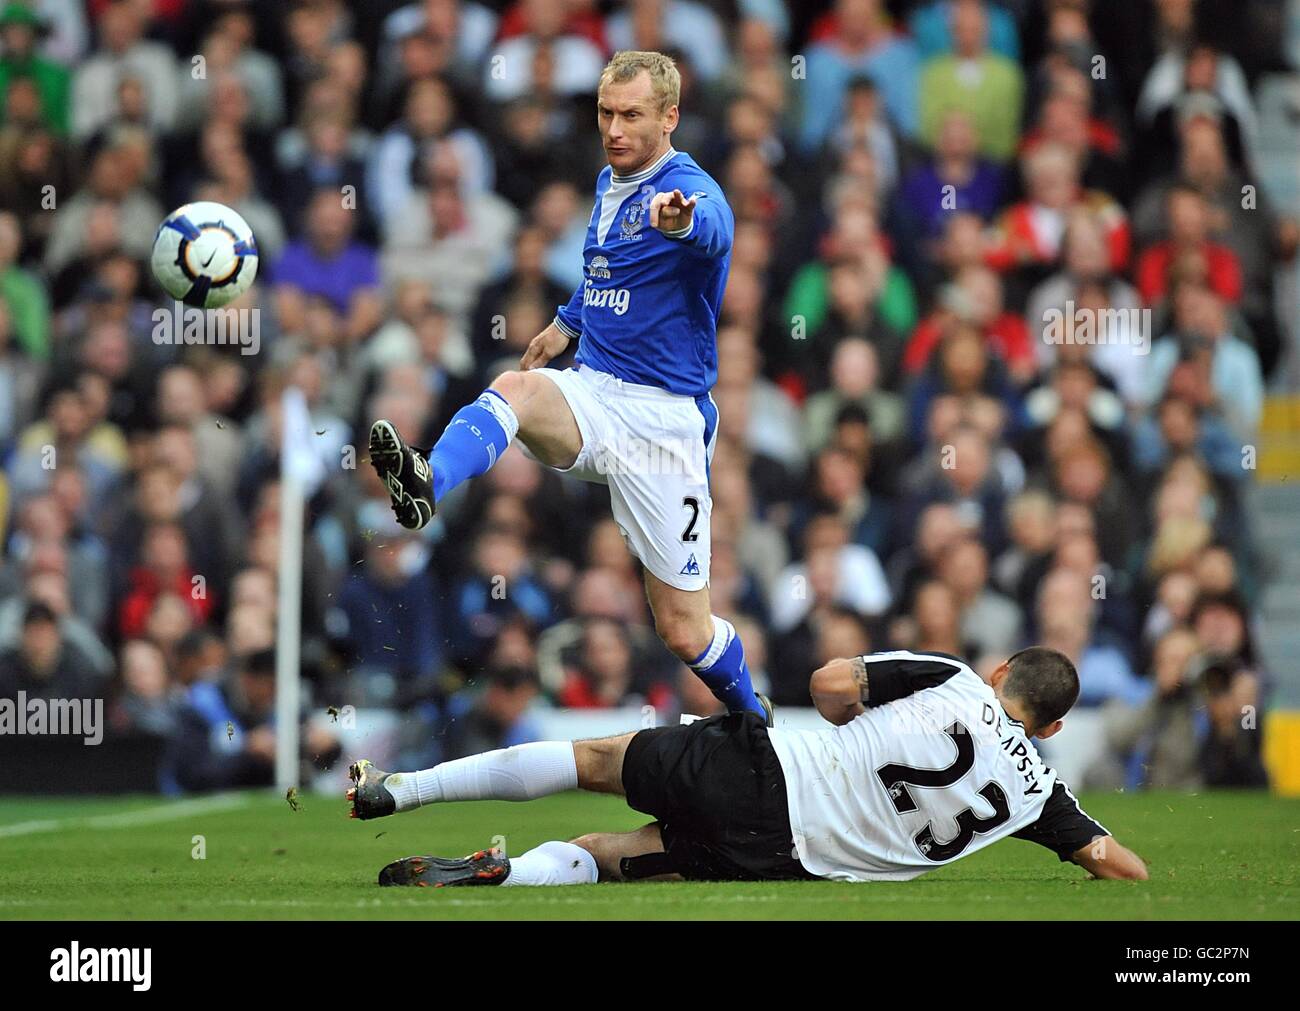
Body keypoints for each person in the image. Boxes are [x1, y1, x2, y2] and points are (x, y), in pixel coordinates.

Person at [367, 51, 768, 721]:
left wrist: (683, 221)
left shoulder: (689, 189)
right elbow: (610, 269)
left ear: (670, 117)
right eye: (607, 113)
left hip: (664, 422)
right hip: (596, 391)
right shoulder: (610, 182)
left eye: (632, 115)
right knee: (516, 389)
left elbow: (712, 233)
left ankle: (754, 720)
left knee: (684, 629)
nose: (614, 128)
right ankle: (427, 481)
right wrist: (565, 323)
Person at [346, 646, 1148, 887]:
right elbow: (1121, 866)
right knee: (614, 853)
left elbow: (828, 684)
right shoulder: (1040, 795)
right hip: (782, 858)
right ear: (1054, 724)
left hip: (773, 767)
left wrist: (857, 712)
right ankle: (509, 876)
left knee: (592, 760)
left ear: (1003, 670)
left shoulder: (956, 676)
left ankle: (403, 787)